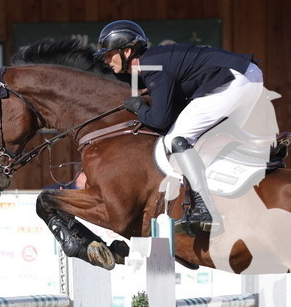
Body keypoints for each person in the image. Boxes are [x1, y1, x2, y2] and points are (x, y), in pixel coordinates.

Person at [95, 20, 271, 236]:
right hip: (247, 76)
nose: (105, 59)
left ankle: (205, 209)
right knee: (212, 136)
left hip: (236, 80)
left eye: (109, 53)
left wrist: (139, 108)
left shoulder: (151, 67)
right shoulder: (153, 63)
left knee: (176, 138)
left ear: (128, 51)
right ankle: (264, 152)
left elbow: (160, 120)